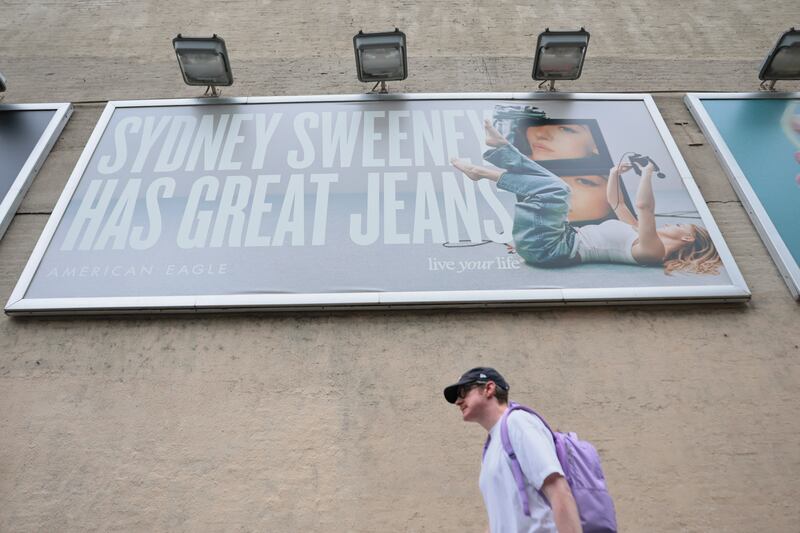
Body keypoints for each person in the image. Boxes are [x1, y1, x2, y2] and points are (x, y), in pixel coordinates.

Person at [451, 120, 721, 274]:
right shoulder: (637, 232)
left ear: (686, 237)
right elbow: (617, 204)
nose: (670, 224)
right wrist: (614, 173)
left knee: (557, 191)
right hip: (556, 239)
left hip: (551, 250)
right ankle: (501, 149)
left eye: (678, 225)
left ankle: (480, 171)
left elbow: (645, 206)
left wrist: (647, 174)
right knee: (554, 183)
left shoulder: (652, 251)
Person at [444, 367, 582, 533]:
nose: (458, 401)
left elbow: (559, 491)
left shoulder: (518, 422)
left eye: (463, 392)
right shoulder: (491, 446)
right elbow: (500, 518)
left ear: (489, 388)